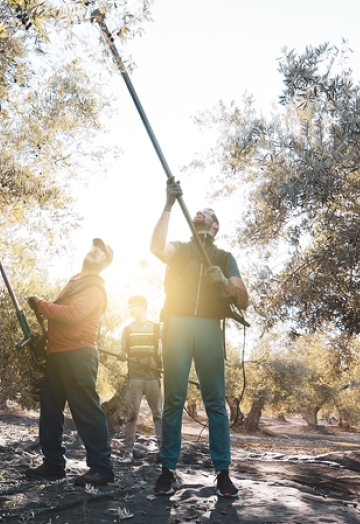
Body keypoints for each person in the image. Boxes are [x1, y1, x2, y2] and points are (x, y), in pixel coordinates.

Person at [150, 180, 249, 498]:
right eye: (197, 212)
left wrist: (225, 284)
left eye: (205, 213)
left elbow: (243, 299)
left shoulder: (225, 256)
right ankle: (168, 470)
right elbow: (155, 246)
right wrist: (168, 203)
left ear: (215, 225)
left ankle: (222, 474)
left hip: (208, 327)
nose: (199, 214)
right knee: (174, 400)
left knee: (215, 403)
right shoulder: (179, 248)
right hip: (177, 325)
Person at [22, 238, 117, 487]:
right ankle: (53, 465)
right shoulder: (76, 280)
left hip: (79, 355)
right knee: (50, 409)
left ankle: (102, 468)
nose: (95, 251)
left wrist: (42, 305)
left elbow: (73, 315)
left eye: (101, 252)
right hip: (58, 354)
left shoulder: (95, 288)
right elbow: (60, 313)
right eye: (93, 247)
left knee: (85, 410)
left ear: (105, 263)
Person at [121, 295, 163, 453]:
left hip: (153, 377)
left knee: (158, 414)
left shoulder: (157, 328)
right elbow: (122, 352)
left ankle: (163, 452)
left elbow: (168, 349)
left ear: (143, 307)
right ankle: (128, 452)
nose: (130, 309)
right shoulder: (127, 330)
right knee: (131, 415)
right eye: (129, 306)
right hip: (134, 378)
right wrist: (121, 355)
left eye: (133, 306)